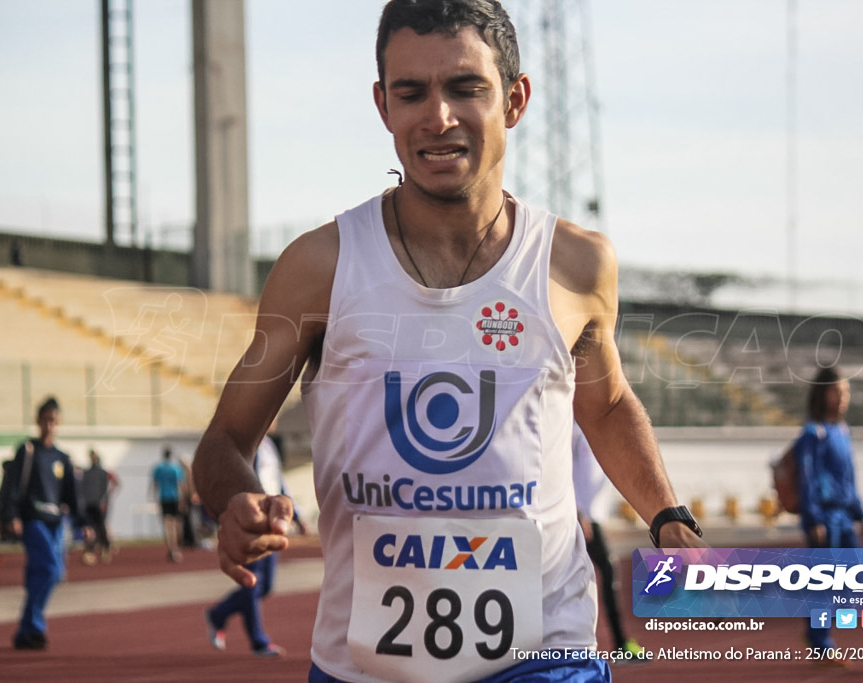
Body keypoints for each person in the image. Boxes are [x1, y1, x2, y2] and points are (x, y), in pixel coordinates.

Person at [192, 2, 704, 681]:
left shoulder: (576, 265)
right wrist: (234, 502)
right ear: (382, 105)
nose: (437, 117)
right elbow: (224, 440)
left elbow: (606, 406)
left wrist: (667, 514)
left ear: (515, 99)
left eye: (465, 87)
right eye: (411, 92)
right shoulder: (318, 267)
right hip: (365, 667)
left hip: (546, 653)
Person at [206, 425, 305, 658]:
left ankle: (218, 614)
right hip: (253, 521)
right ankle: (258, 641)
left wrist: (297, 514)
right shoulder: (244, 445)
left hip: (273, 522)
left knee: (266, 586)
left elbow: (280, 482)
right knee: (251, 583)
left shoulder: (269, 445)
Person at [795, 366, 863, 662]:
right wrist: (813, 519)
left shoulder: (842, 431)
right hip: (823, 518)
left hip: (844, 516)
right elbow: (808, 478)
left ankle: (816, 632)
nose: (843, 398)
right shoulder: (813, 433)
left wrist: (860, 514)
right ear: (822, 393)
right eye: (837, 391)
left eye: (846, 392)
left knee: (855, 577)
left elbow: (849, 477)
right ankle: (820, 644)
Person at [2, 396, 84, 650]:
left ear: (58, 423)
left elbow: (72, 494)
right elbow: (11, 486)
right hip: (33, 521)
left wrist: (84, 522)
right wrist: (11, 515)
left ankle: (25, 632)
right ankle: (34, 626)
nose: (50, 425)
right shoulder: (27, 451)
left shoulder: (61, 457)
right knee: (49, 569)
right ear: (38, 420)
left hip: (55, 523)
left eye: (54, 421)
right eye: (46, 420)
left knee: (47, 574)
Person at [572, 425, 643, 657]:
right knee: (603, 570)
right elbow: (562, 469)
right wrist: (578, 511)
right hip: (581, 517)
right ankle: (619, 642)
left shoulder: (596, 427)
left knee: (592, 572)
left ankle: (616, 641)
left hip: (592, 517)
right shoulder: (571, 426)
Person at [80, 448, 120, 565]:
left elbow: (113, 483)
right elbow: (83, 488)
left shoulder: (103, 472)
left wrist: (107, 497)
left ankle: (105, 549)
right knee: (90, 528)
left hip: (100, 504)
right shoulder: (87, 473)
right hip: (89, 503)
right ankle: (90, 550)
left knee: (101, 527)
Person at [151, 447, 186, 562]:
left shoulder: (158, 468)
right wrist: (183, 499)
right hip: (174, 497)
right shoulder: (175, 468)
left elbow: (155, 484)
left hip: (164, 498)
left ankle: (171, 548)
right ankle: (175, 549)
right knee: (175, 525)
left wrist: (154, 498)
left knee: (167, 525)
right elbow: (180, 484)